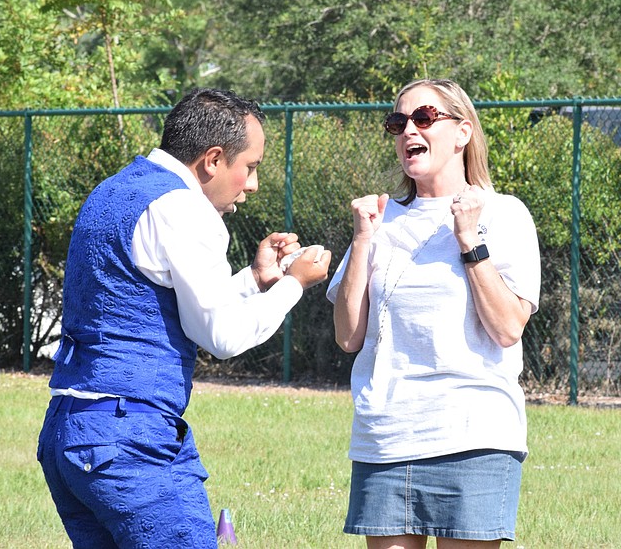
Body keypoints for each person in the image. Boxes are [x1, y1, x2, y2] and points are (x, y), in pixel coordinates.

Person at [37, 87, 331, 549]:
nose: (252, 184)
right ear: (213, 159)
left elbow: (163, 306)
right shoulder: (185, 208)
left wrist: (255, 279)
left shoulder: (114, 190)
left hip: (69, 433)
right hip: (128, 438)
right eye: (250, 167)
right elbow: (221, 335)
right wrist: (295, 283)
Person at [326, 78, 540, 549]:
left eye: (423, 118)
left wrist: (470, 240)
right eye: (398, 122)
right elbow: (348, 337)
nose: (408, 131)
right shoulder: (380, 219)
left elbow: (507, 328)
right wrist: (363, 240)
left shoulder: (504, 215)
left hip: (474, 433)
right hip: (387, 434)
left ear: (462, 132)